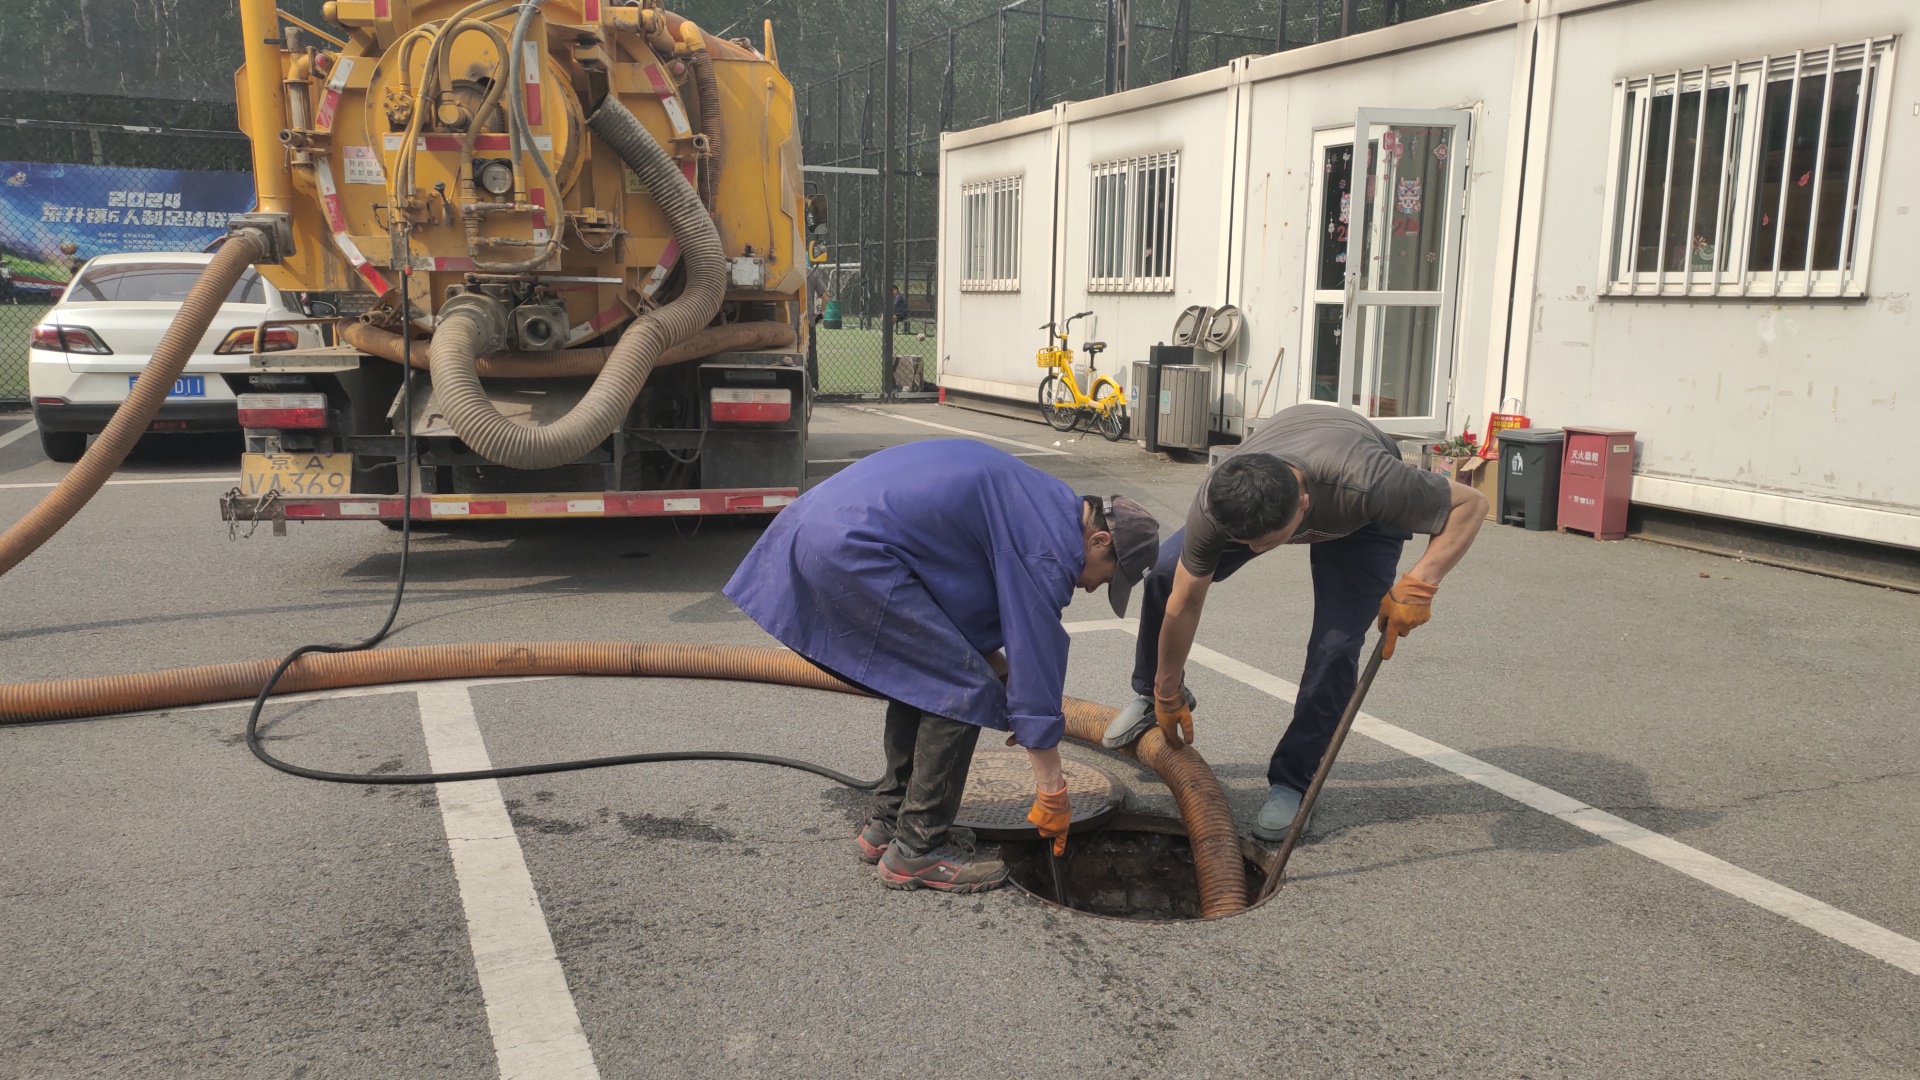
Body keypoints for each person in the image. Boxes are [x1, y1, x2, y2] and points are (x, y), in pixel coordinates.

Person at [725, 439, 1160, 893]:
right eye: (1106, 578)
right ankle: (920, 849)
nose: (1092, 589)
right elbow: (1036, 656)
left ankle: (889, 822)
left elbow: (959, 616)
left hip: (825, 527)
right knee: (960, 687)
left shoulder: (1041, 505)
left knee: (927, 675)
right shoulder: (1048, 547)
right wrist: (1051, 789)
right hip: (852, 547)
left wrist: (1005, 677)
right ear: (1099, 540)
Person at [1102, 404, 1487, 841]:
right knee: (1169, 575)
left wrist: (1421, 583)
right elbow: (1184, 602)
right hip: (1282, 473)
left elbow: (1471, 505)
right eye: (1246, 542)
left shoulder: (1372, 482)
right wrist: (1166, 688)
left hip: (1360, 520)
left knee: (1336, 645)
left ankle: (1294, 781)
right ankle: (1150, 699)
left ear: (1303, 508)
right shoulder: (1220, 497)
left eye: (1265, 543)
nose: (1255, 551)